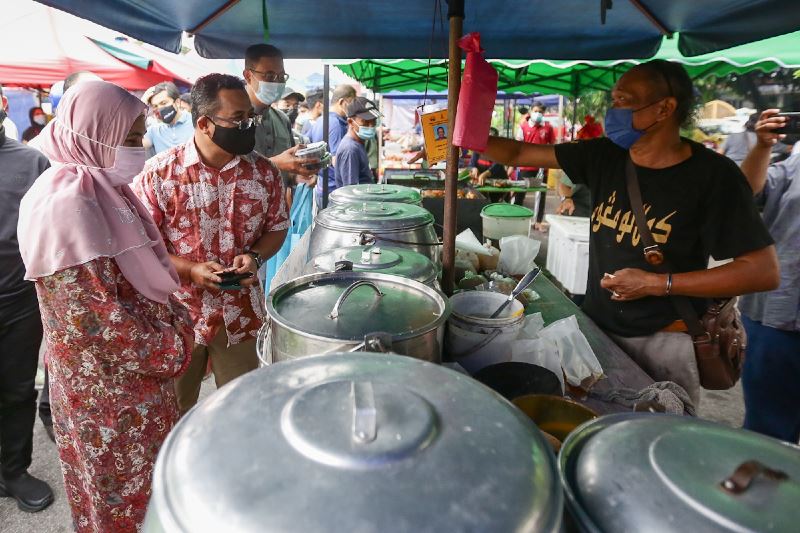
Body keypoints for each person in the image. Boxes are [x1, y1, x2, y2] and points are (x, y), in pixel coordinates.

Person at [482, 60, 779, 405]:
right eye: (613, 100)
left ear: (664, 108)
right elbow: (518, 152)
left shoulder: (713, 177)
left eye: (623, 100)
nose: (613, 110)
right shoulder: (605, 156)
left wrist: (657, 283)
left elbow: (763, 271)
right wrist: (453, 132)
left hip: (665, 342)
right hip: (597, 330)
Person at [17, 81, 193, 531]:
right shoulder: (65, 204)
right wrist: (173, 346)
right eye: (129, 140)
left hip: (136, 387)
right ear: (91, 133)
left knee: (146, 495)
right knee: (121, 504)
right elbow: (91, 320)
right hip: (106, 395)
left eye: (140, 137)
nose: (139, 149)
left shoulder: (101, 189)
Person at [134, 74, 289, 414]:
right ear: (204, 123)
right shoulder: (159, 174)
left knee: (241, 412)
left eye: (250, 116)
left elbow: (277, 228)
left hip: (240, 314)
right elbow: (142, 245)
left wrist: (255, 256)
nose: (249, 124)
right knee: (172, 412)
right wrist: (190, 269)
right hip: (176, 315)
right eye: (238, 119)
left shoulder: (264, 173)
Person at [0, 105, 54, 513]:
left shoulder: (31, 160)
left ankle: (14, 470)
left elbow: (51, 228)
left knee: (17, 389)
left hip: (18, 299)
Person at [738, 109, 800, 443]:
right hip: (776, 316)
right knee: (766, 433)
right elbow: (748, 191)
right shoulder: (796, 159)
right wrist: (762, 146)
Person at [311, 84, 357, 205]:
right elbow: (338, 161)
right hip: (333, 190)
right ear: (342, 102)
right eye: (352, 102)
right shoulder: (336, 124)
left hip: (323, 186)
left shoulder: (320, 120)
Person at [518, 101, 555, 229]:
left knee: (540, 195)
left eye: (540, 112)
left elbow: (552, 146)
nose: (538, 114)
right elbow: (518, 146)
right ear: (531, 111)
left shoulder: (548, 128)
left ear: (543, 113)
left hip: (541, 168)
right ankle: (515, 219)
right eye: (536, 111)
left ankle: (537, 222)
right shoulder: (523, 126)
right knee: (519, 193)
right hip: (525, 166)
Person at [336, 97, 380, 188]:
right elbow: (350, 191)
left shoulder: (359, 143)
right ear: (351, 122)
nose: (371, 126)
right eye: (365, 122)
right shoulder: (350, 150)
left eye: (373, 122)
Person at [141, 81, 195, 155]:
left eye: (163, 103)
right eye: (155, 106)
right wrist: (140, 107)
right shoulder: (154, 131)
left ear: (177, 102)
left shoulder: (196, 122)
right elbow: (132, 145)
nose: (160, 108)